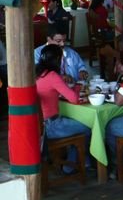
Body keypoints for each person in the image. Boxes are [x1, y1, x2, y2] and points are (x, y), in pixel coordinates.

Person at [36, 44, 91, 173]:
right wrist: (78, 86)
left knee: (73, 125)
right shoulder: (52, 76)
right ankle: (73, 164)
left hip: (40, 126)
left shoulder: (37, 73)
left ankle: (79, 161)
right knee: (89, 127)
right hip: (52, 126)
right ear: (57, 60)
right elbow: (73, 98)